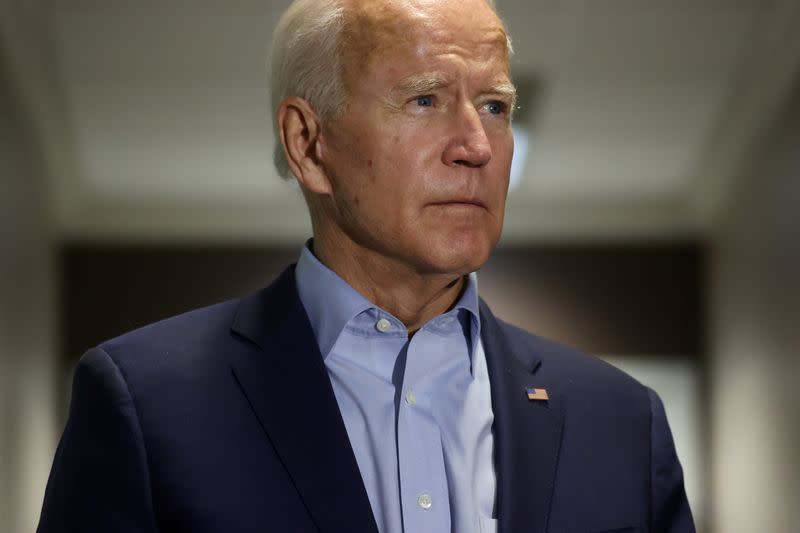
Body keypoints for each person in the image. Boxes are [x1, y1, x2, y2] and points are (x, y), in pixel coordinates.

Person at [37, 0, 695, 531]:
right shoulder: (144, 408)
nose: (477, 146)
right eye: (425, 100)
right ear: (309, 144)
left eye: (494, 106)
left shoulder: (623, 425)